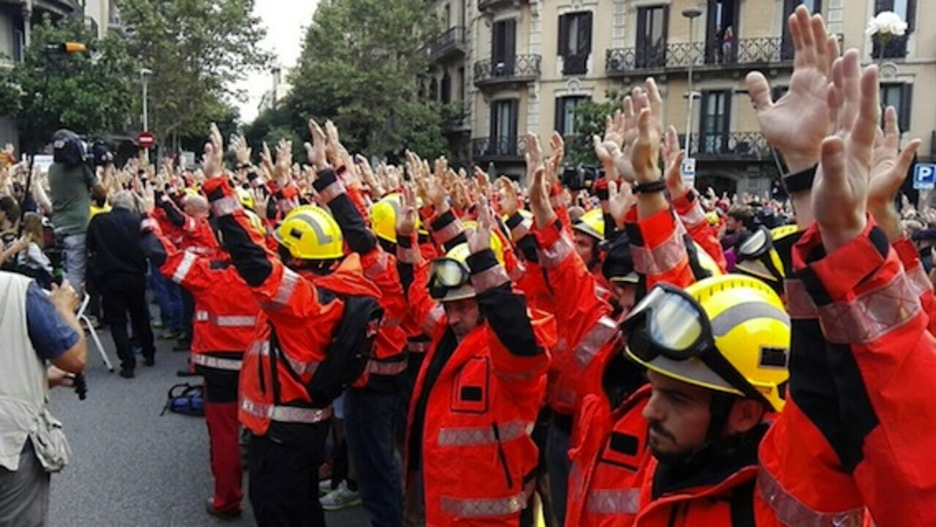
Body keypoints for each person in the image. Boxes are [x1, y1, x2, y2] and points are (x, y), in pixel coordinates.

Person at [201, 123, 383, 527]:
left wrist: (216, 186)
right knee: (303, 510)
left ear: (295, 256)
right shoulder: (347, 280)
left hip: (281, 429)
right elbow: (358, 233)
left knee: (280, 513)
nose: (277, 249)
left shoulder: (302, 301)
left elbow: (252, 258)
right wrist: (322, 172)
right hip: (305, 424)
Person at [398, 184, 554, 526]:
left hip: (497, 516)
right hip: (442, 509)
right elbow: (417, 297)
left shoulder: (507, 351)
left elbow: (518, 338)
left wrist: (486, 266)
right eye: (448, 307)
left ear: (485, 303)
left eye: (463, 307)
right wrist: (405, 238)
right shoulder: (447, 332)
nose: (452, 317)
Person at [141, 190, 263, 520]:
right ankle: (268, 501)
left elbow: (158, 252)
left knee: (224, 437)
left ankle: (227, 500)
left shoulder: (209, 274)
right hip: (260, 364)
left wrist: (148, 217)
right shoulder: (272, 272)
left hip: (218, 367)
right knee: (266, 435)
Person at [0, 272, 86, 526]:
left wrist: (39, 378)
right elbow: (75, 358)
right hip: (8, 443)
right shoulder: (17, 289)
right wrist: (64, 309)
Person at [86, 190, 156, 378]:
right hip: (135, 274)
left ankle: (127, 363)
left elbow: (90, 247)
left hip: (109, 275)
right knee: (140, 315)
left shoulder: (99, 221)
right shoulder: (138, 221)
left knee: (118, 322)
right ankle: (149, 352)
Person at [47, 129, 110, 292]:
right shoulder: (81, 169)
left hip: (57, 227)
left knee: (60, 273)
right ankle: (71, 304)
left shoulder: (52, 169)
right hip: (77, 229)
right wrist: (108, 168)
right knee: (75, 273)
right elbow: (102, 191)